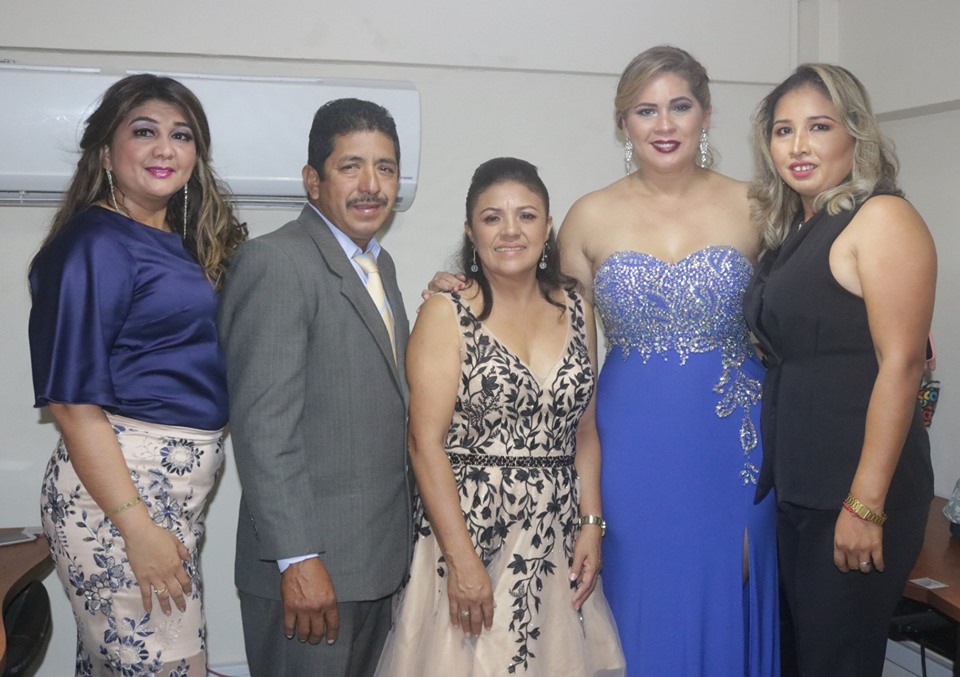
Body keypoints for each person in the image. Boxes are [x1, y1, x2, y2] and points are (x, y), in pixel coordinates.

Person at [427, 46, 780, 676]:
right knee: (636, 595)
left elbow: (797, 309)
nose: (664, 125)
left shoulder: (758, 204)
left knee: (730, 585)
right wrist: (461, 287)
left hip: (733, 439)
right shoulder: (589, 215)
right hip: (628, 443)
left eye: (679, 107)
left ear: (705, 115)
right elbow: (539, 309)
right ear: (623, 123)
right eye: (645, 110)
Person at [29, 73, 246, 675]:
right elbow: (72, 404)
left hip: (167, 493)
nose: (165, 148)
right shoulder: (94, 243)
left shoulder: (181, 240)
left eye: (182, 135)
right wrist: (136, 527)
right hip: (121, 495)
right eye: (144, 131)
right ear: (106, 151)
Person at [376, 157, 624, 676]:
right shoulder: (446, 312)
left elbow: (584, 431)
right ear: (471, 231)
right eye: (492, 218)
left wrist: (591, 523)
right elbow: (424, 444)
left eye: (526, 216)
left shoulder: (578, 307)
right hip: (470, 536)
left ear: (547, 227)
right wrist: (461, 560)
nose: (511, 230)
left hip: (555, 541)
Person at [743, 63, 936, 676]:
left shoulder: (881, 217)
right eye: (783, 131)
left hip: (855, 493)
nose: (798, 146)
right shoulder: (796, 230)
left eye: (819, 127)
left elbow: (904, 363)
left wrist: (865, 505)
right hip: (800, 487)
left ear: (856, 133)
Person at [217, 98, 413, 677]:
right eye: (351, 166)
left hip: (377, 564)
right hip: (309, 574)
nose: (371, 184)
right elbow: (263, 429)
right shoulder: (276, 262)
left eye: (385, 167)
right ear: (313, 179)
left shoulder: (379, 266)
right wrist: (298, 559)